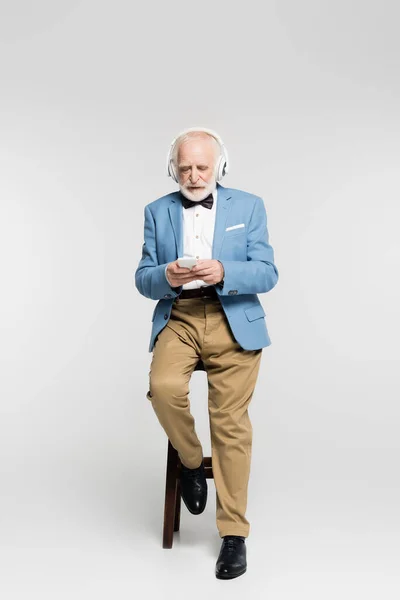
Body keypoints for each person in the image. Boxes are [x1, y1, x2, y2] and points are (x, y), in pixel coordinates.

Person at [134, 127, 279, 579]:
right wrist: (167, 277)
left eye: (202, 167)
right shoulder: (157, 212)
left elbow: (267, 272)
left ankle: (233, 534)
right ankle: (193, 464)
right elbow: (142, 279)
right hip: (179, 317)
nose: (194, 176)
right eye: (185, 168)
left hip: (232, 316)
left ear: (219, 166)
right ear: (173, 168)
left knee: (230, 424)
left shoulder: (249, 206)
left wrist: (224, 270)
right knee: (163, 388)